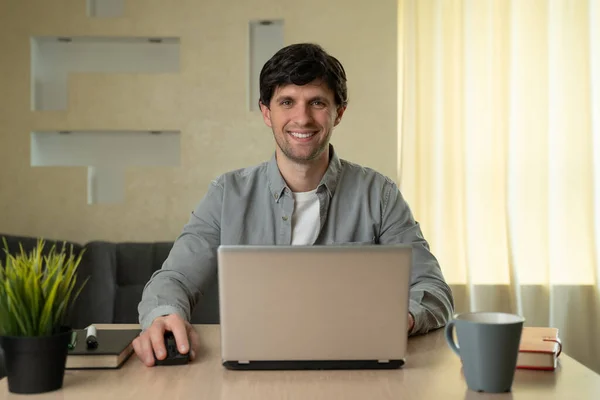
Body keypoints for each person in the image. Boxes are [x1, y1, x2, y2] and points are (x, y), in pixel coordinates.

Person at [133, 43, 454, 366]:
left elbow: (432, 287)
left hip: (357, 371)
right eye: (287, 102)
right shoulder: (226, 194)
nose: (302, 118)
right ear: (266, 112)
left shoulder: (379, 195)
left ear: (338, 113)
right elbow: (175, 278)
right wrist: (165, 314)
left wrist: (404, 319)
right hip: (249, 375)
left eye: (317, 102)